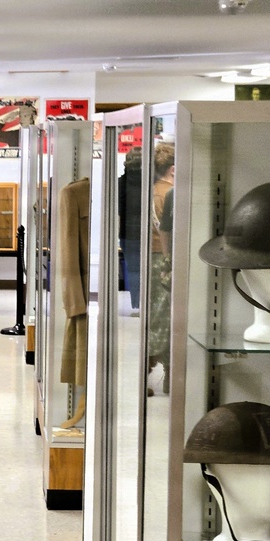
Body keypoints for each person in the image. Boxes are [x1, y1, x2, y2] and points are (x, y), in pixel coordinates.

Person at [148, 142, 174, 395]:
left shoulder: (154, 190)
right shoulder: (167, 193)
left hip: (155, 256)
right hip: (162, 258)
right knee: (161, 318)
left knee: (161, 317)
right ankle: (155, 370)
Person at [117, 146, 143, 315]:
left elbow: (119, 209)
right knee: (146, 269)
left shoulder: (121, 182)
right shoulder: (149, 183)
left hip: (126, 233)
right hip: (145, 232)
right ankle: (145, 303)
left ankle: (135, 302)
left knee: (132, 269)